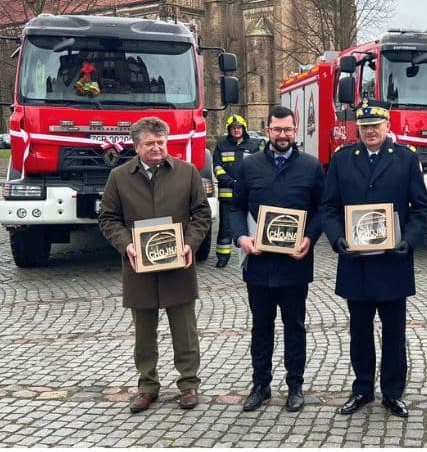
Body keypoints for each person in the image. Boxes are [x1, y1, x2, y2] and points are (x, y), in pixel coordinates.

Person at [320, 101, 427, 418]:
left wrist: (409, 241)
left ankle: (393, 393)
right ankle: (362, 389)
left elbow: (421, 209)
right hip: (356, 263)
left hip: (393, 262)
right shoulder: (342, 160)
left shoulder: (406, 160)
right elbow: (328, 207)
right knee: (359, 331)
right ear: (358, 128)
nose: (370, 131)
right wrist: (337, 237)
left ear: (386, 126)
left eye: (376, 125)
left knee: (395, 333)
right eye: (365, 126)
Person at [98, 116, 211, 413]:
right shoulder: (119, 177)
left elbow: (201, 214)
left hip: (178, 264)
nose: (157, 148)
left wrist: (190, 243)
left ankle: (189, 384)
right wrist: (127, 245)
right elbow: (108, 219)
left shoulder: (187, 173)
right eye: (150, 143)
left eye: (161, 142)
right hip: (139, 266)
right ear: (136, 146)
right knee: (144, 333)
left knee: (184, 330)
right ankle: (147, 386)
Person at [229, 106, 325, 413]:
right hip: (259, 262)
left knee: (295, 326)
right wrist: (242, 239)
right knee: (261, 327)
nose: (282, 135)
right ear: (267, 130)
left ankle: (295, 385)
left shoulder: (311, 167)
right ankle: (261, 385)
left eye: (287, 130)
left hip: (295, 264)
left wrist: (310, 238)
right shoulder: (249, 166)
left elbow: (323, 210)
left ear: (295, 131)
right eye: (276, 129)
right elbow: (234, 209)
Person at [213, 114, 261, 268]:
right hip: (228, 193)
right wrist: (231, 182)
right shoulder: (221, 146)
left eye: (239, 127)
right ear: (229, 130)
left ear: (244, 128)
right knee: (225, 227)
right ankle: (222, 256)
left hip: (249, 194)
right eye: (233, 128)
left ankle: (253, 250)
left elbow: (259, 167)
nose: (236, 130)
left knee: (251, 224)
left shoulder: (253, 145)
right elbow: (217, 168)